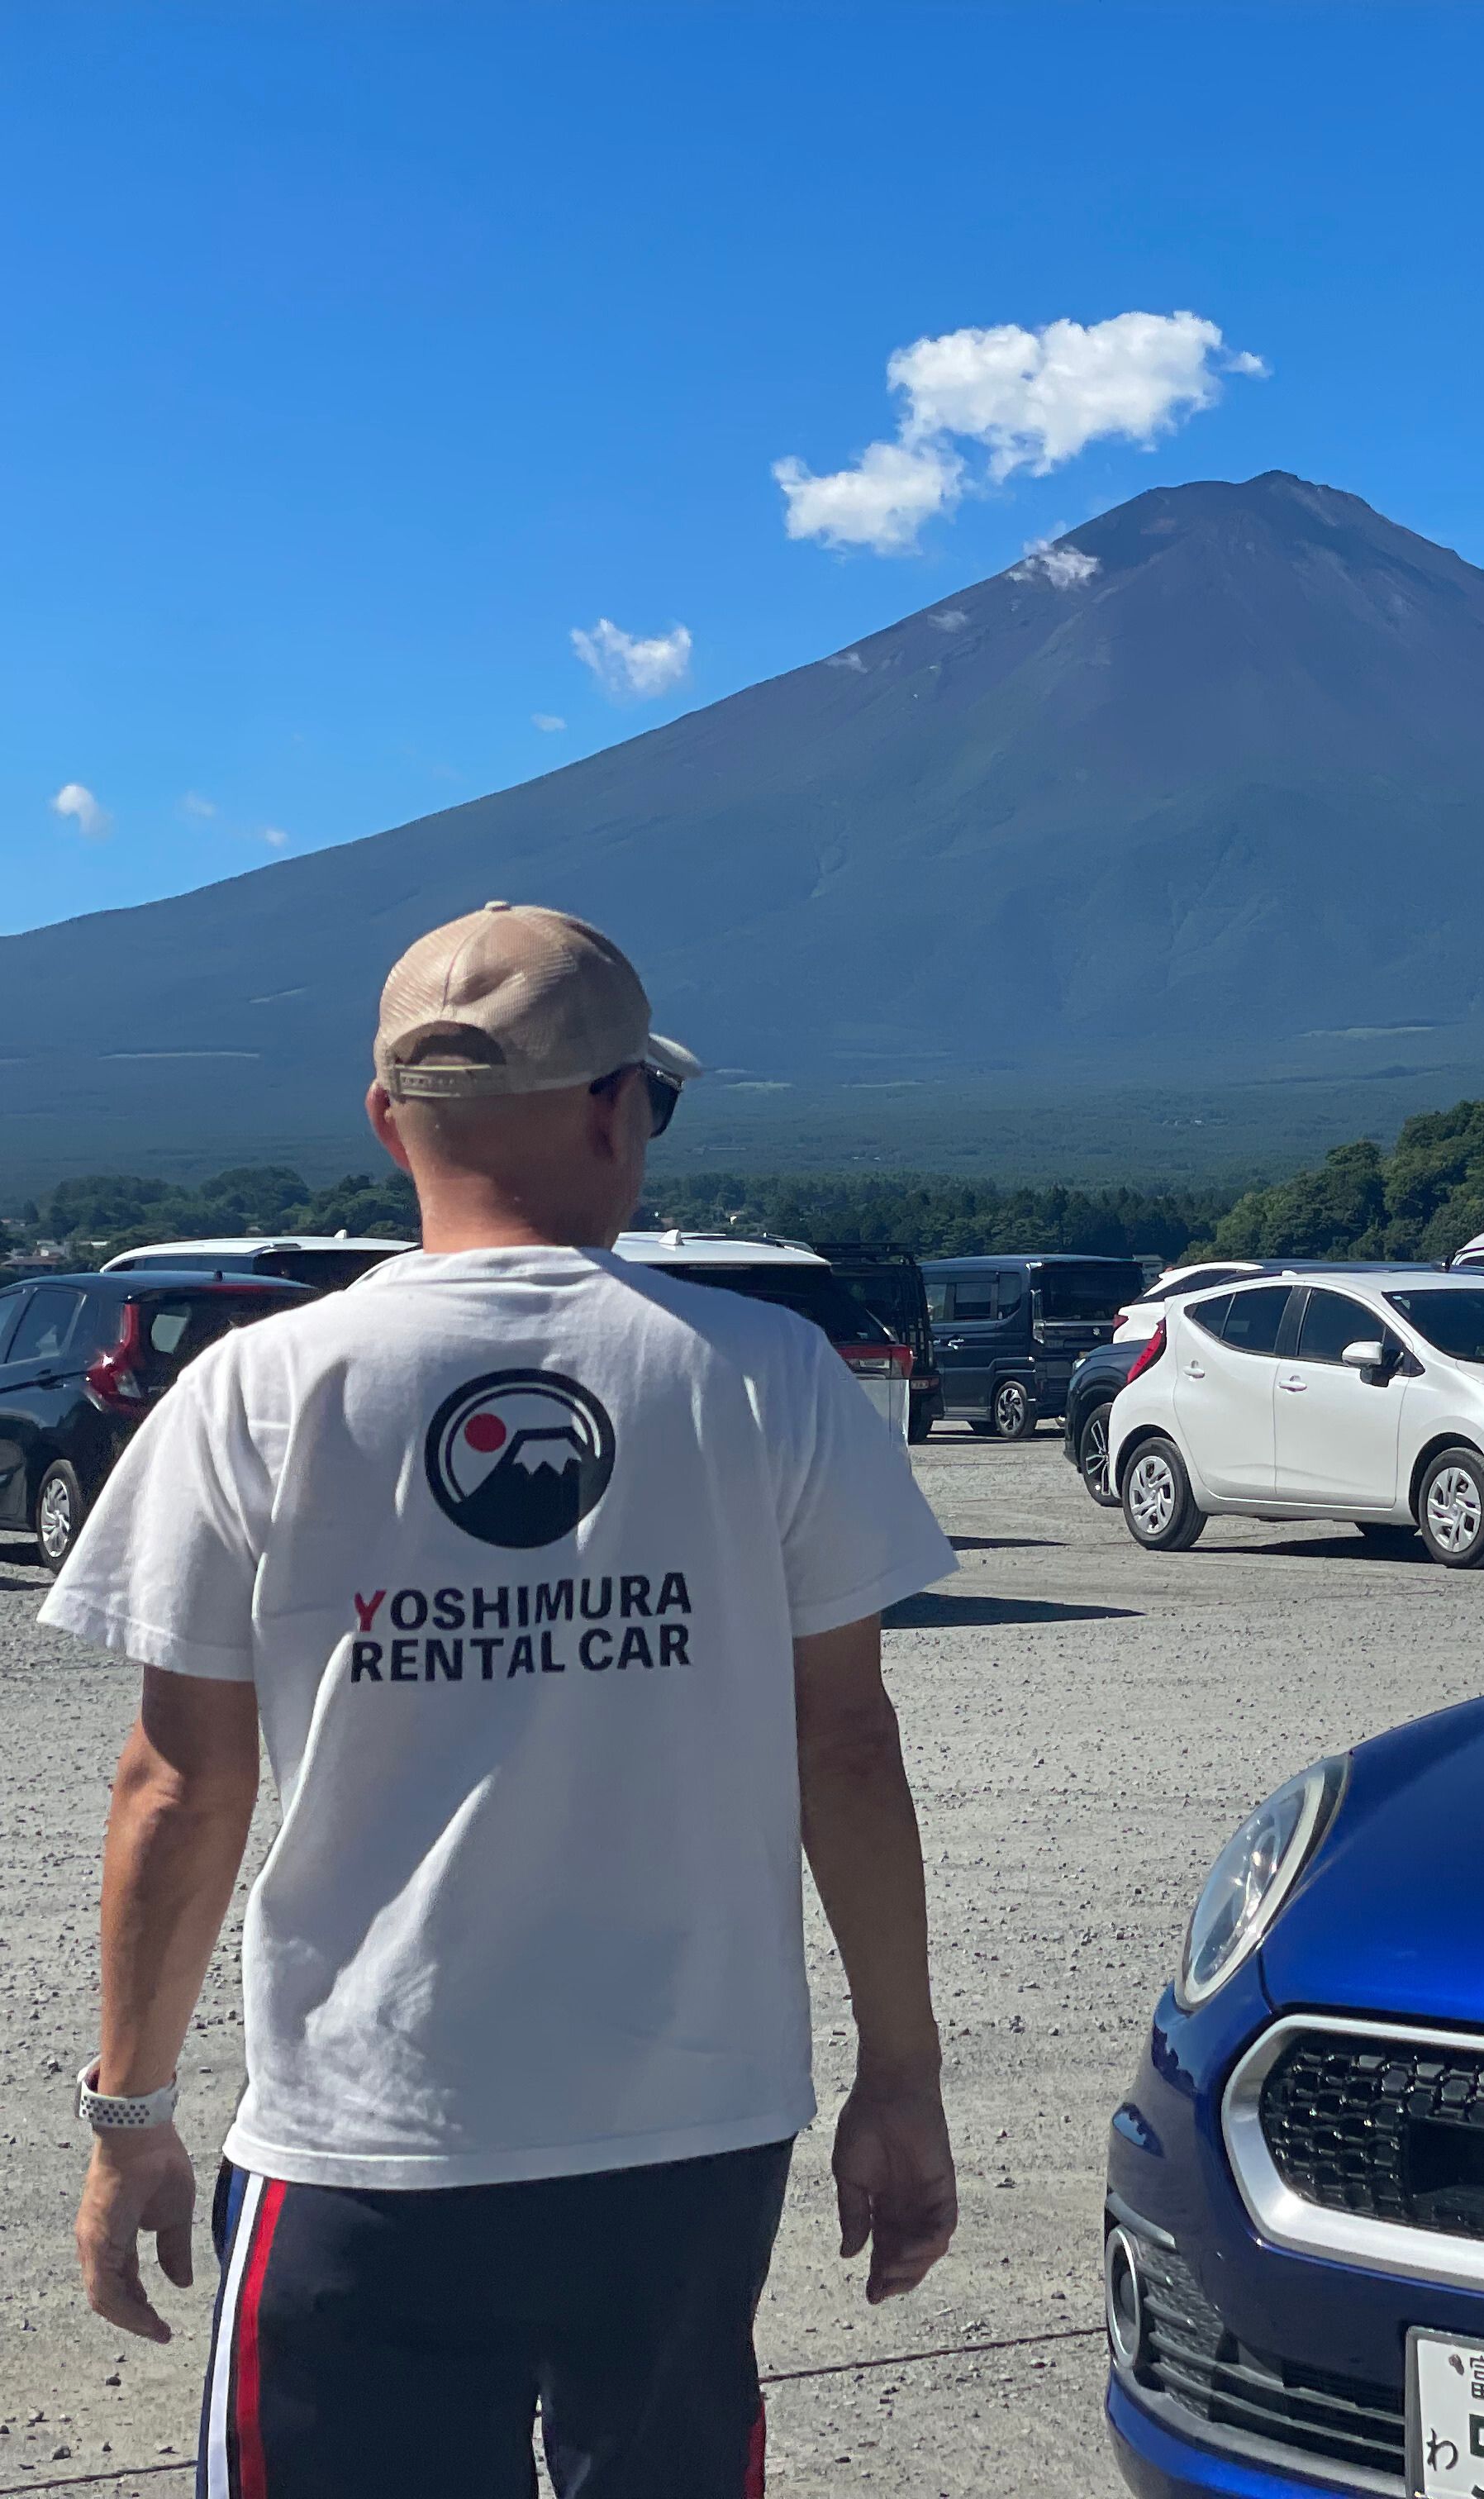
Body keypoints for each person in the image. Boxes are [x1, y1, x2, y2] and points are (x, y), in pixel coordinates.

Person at [46, 902, 962, 2497]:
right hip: (689, 2128)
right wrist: (900, 2073)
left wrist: (131, 2117)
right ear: (616, 1111)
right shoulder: (766, 1375)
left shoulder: (256, 1389)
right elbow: (847, 1744)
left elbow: (179, 1786)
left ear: (387, 1120)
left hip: (366, 2128)